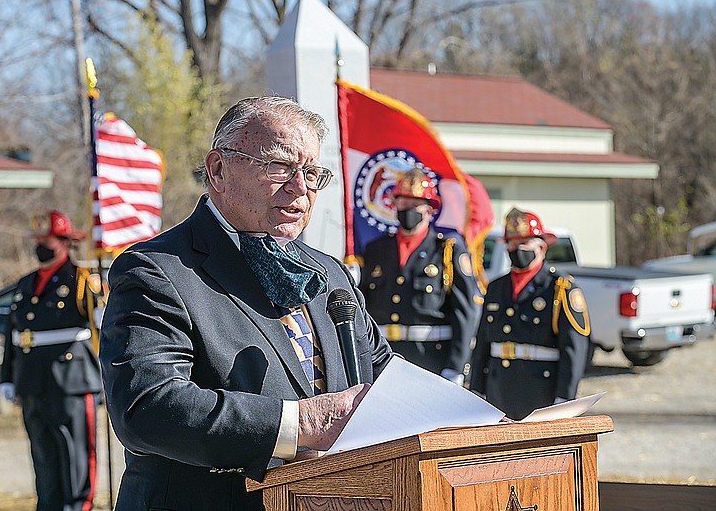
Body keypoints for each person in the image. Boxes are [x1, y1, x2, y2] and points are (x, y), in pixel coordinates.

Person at [99, 96, 395, 510]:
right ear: (218, 169)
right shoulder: (157, 270)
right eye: (279, 167)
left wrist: (476, 420)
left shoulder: (329, 273)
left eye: (312, 173)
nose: (300, 188)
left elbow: (387, 379)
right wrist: (302, 423)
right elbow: (147, 408)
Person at [0, 210, 104, 511]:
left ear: (65, 242)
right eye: (40, 239)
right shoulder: (25, 284)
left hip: (70, 381)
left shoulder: (82, 281)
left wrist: (101, 307)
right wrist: (7, 376)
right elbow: (13, 335)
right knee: (43, 459)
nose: (42, 244)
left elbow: (103, 326)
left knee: (76, 457)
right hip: (32, 382)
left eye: (49, 239)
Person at [469, 207, 591, 420]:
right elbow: (483, 344)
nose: (517, 249)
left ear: (542, 247)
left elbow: (573, 350)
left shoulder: (560, 289)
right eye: (512, 244)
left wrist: (564, 399)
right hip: (498, 392)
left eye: (524, 243)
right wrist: (477, 389)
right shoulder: (496, 288)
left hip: (541, 393)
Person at [359, 168, 478, 385]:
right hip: (384, 360)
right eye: (403, 203)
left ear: (430, 210)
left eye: (415, 204)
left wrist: (455, 367)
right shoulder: (376, 250)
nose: (408, 209)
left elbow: (465, 313)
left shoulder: (447, 250)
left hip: (431, 360)